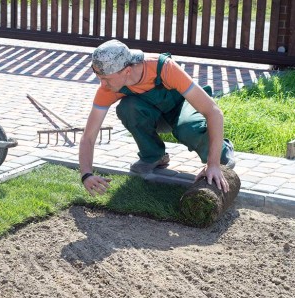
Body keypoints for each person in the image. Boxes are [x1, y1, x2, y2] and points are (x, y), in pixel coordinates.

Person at [79, 39, 235, 195]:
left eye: (106, 79)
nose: (103, 85)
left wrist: (213, 163)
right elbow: (88, 137)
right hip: (157, 117)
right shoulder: (108, 89)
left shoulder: (164, 67)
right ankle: (154, 156)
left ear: (126, 71)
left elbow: (214, 112)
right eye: (100, 78)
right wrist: (87, 174)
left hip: (182, 107)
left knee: (188, 128)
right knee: (128, 108)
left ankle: (222, 150)